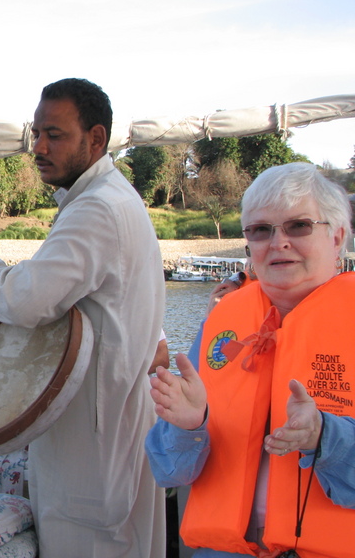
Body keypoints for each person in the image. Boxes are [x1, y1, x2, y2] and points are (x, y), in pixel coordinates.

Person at [0, 78, 165, 558]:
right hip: (110, 428)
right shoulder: (112, 198)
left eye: (55, 134)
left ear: (96, 139)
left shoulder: (97, 208)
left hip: (92, 447)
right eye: (36, 134)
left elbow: (29, 302)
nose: (39, 147)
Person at [146, 162, 355, 557]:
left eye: (298, 226)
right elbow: (168, 471)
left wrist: (325, 436)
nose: (278, 242)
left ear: (337, 236)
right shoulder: (221, 326)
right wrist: (189, 425)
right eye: (260, 230)